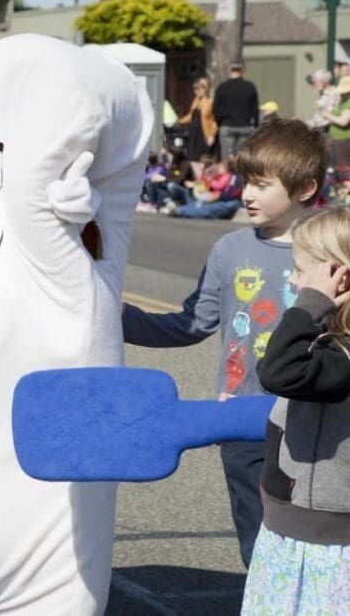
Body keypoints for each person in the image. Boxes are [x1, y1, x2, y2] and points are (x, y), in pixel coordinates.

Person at [123, 119, 329, 568]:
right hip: (241, 419)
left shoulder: (331, 248)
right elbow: (191, 325)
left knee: (317, 539)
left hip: (315, 420)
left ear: (305, 188)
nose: (247, 194)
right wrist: (116, 319)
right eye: (244, 182)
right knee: (255, 536)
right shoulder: (231, 250)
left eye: (261, 184)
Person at [242, 205, 350, 615]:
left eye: (301, 271)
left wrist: (309, 305)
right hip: (292, 528)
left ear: (339, 278)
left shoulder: (340, 357)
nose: (292, 279)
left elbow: (278, 371)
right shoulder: (325, 342)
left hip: (327, 543)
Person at [169, 154, 244, 219]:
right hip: (219, 197)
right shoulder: (232, 174)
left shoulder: (239, 176)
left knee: (212, 209)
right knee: (199, 203)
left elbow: (235, 192)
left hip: (231, 201)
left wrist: (219, 195)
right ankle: (179, 210)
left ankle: (181, 212)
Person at [213, 62, 259, 158]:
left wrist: (219, 122)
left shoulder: (222, 87)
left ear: (230, 71)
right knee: (242, 157)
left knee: (227, 157)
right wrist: (255, 125)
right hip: (245, 126)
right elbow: (255, 109)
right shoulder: (250, 87)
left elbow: (216, 109)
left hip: (227, 125)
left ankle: (228, 172)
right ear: (242, 71)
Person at [178, 76, 218, 161]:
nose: (198, 90)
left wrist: (211, 135)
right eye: (196, 88)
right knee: (192, 158)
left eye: (202, 87)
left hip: (204, 133)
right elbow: (191, 116)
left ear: (207, 88)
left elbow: (215, 120)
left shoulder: (211, 102)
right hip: (194, 133)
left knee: (203, 158)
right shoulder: (196, 101)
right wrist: (179, 121)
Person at [323, 75, 350, 174]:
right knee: (338, 165)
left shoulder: (348, 103)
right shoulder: (344, 101)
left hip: (344, 140)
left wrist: (328, 115)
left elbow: (343, 121)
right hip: (338, 140)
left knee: (343, 167)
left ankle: (346, 187)